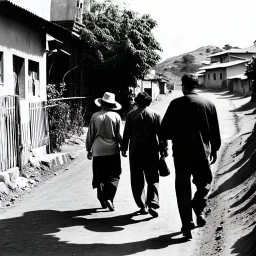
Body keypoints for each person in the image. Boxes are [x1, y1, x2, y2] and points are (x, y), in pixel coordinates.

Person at [161, 74, 221, 239]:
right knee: (204, 184)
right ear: (197, 86)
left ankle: (187, 225)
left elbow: (164, 130)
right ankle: (198, 205)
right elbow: (215, 131)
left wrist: (177, 135)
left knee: (182, 189)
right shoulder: (209, 104)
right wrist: (214, 149)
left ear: (184, 86)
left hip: (181, 153)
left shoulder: (175, 104)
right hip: (202, 153)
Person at [121, 92, 168, 218]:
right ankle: (152, 203)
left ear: (137, 102)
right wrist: (164, 149)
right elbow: (161, 135)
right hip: (151, 150)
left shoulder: (131, 115)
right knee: (152, 177)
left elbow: (126, 134)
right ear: (149, 101)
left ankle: (142, 205)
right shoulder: (155, 115)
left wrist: (124, 147)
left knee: (136, 178)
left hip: (135, 150)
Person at [86, 92, 123, 211]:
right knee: (114, 175)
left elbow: (90, 134)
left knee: (100, 175)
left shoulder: (95, 116)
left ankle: (102, 198)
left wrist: (88, 149)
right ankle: (109, 197)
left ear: (102, 103)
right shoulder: (116, 116)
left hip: (98, 150)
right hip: (113, 150)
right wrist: (123, 148)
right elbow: (119, 135)